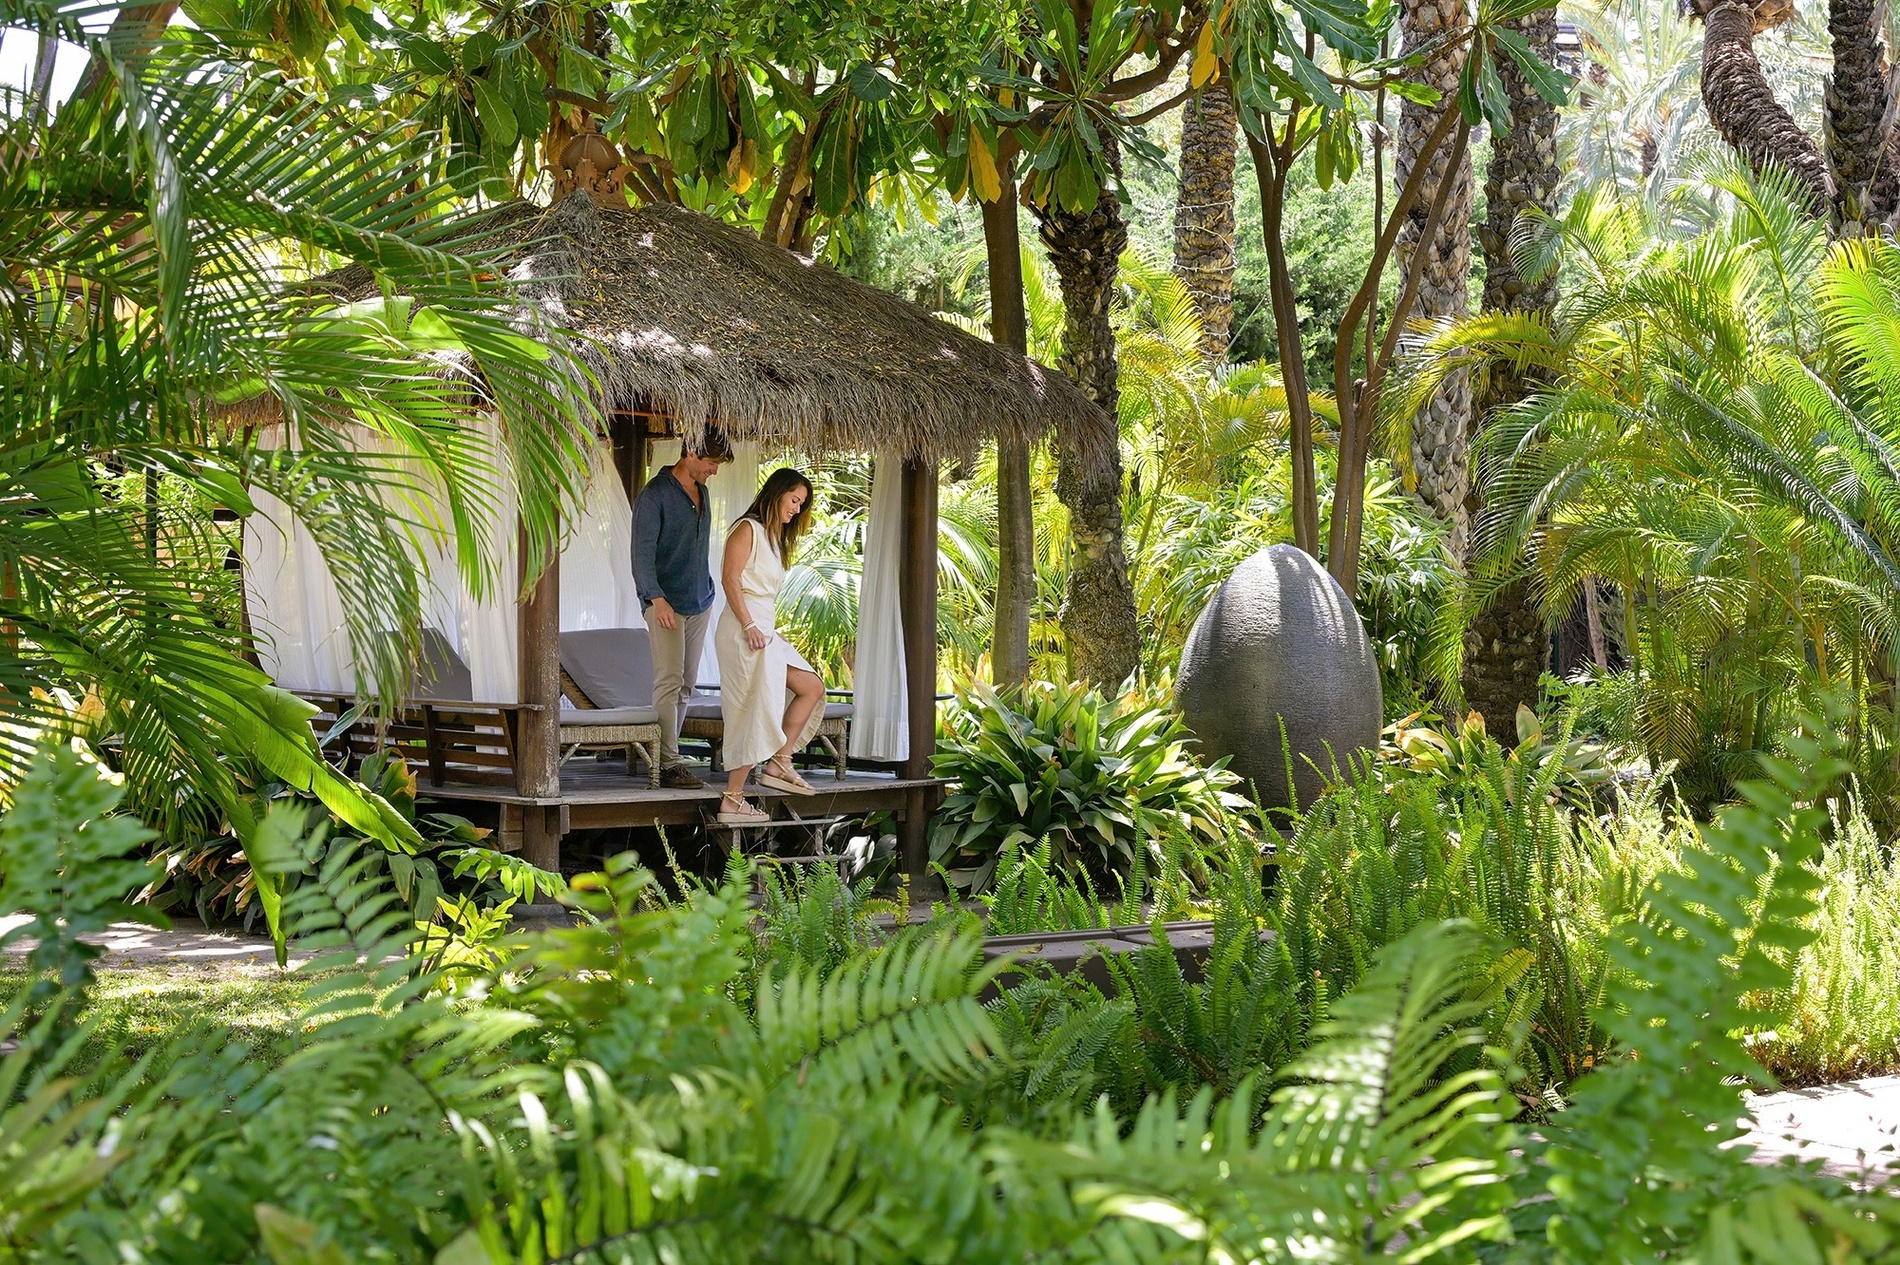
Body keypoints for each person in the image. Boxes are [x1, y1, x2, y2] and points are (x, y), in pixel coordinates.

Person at [713, 467, 827, 825]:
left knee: (811, 687)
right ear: (776, 493)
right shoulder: (747, 528)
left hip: (763, 630)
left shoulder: (774, 538)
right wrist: (749, 624)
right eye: (794, 500)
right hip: (742, 629)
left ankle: (780, 760)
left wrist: (769, 631)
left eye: (801, 504)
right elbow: (730, 579)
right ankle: (732, 800)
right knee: (754, 707)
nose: (796, 509)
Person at [631, 427, 732, 789]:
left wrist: (708, 594)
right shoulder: (653, 496)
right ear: (691, 452)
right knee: (669, 681)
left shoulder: (702, 492)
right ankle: (667, 762)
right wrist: (656, 599)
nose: (714, 470)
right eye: (711, 462)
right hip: (665, 604)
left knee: (686, 684)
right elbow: (641, 555)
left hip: (699, 601)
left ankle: (669, 755)